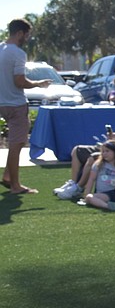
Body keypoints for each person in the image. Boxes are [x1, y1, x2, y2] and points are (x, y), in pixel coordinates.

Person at [0, 18, 50, 195]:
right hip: (16, 104)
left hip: (2, 103)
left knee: (15, 143)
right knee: (16, 144)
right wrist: (39, 83)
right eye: (26, 35)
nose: (27, 39)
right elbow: (19, 81)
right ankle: (15, 185)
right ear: (20, 33)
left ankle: (7, 176)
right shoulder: (18, 53)